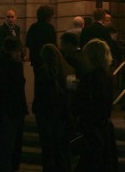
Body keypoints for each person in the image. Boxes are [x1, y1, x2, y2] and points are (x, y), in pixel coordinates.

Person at [0, 36, 28, 172]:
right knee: (8, 148)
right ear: (17, 50)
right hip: (11, 111)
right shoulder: (15, 65)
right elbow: (18, 89)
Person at [76, 39, 118, 172]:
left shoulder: (90, 78)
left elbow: (83, 103)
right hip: (104, 127)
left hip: (93, 128)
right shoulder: (108, 76)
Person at [34, 44, 75, 172]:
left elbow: (40, 96)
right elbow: (72, 93)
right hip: (63, 115)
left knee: (48, 149)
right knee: (62, 148)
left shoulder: (43, 73)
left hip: (47, 116)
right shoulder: (70, 71)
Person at [25, 5, 57, 73]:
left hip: (35, 59)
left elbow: (28, 43)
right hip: (47, 59)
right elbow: (53, 44)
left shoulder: (33, 27)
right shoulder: (49, 28)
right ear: (48, 16)